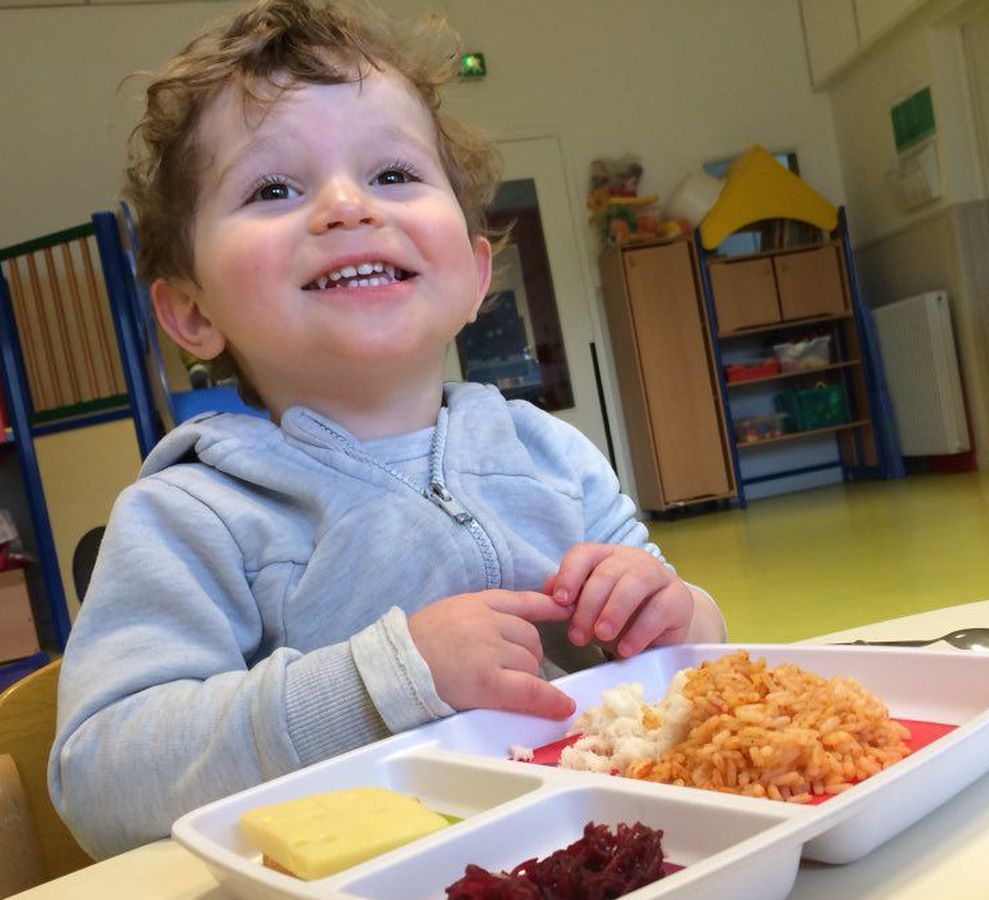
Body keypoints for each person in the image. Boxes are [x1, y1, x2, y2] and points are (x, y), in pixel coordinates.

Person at [49, 0, 724, 859]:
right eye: (274, 188)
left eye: (394, 175)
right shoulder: (193, 517)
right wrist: (384, 680)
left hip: (611, 854)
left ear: (476, 272)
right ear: (190, 311)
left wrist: (678, 615)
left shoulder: (551, 456)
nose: (345, 206)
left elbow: (691, 657)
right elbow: (100, 779)